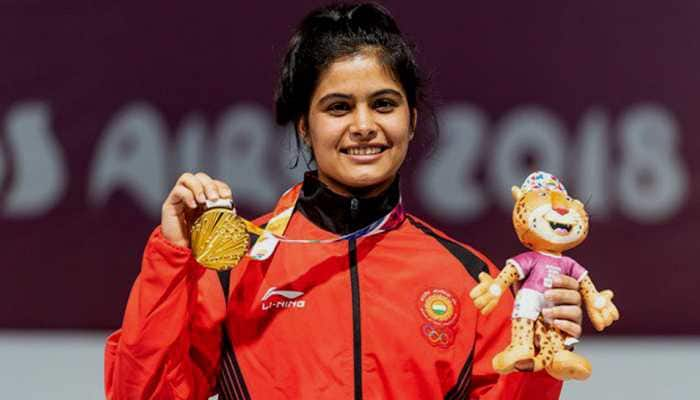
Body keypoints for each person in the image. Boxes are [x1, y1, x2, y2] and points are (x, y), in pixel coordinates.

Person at [104, 3, 584, 399]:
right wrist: (171, 257)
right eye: (338, 107)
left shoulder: (468, 280)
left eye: (383, 103)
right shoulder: (236, 271)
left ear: (411, 120)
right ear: (304, 127)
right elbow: (139, 394)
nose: (363, 126)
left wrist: (540, 359)